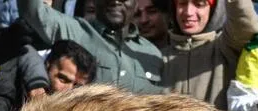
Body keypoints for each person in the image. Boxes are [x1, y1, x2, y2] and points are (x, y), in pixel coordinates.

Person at [16, 0, 164, 92]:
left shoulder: (153, 55)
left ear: (136, 3)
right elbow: (32, 10)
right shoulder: (73, 30)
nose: (116, 1)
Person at [164, 0, 258, 108]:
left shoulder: (227, 46)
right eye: (182, 3)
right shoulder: (158, 56)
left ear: (213, 10)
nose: (188, 12)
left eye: (199, 4)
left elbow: (248, 29)